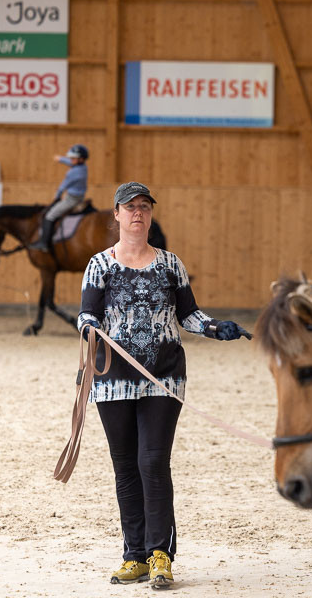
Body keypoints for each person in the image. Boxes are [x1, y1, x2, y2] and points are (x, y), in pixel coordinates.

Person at [77, 181, 252, 587]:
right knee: (125, 468)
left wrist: (213, 327)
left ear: (150, 215)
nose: (138, 213)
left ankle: (160, 555)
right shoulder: (99, 264)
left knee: (152, 463)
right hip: (113, 380)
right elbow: (87, 314)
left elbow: (188, 314)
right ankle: (133, 556)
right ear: (116, 215)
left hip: (164, 378)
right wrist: (88, 331)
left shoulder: (171, 263)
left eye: (144, 207)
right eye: (130, 207)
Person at [28, 144, 90, 252]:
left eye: (73, 158)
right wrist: (60, 159)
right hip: (78, 197)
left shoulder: (73, 173)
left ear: (81, 159)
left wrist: (56, 197)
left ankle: (44, 243)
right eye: (71, 158)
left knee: (50, 215)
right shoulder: (83, 167)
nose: (71, 160)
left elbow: (63, 186)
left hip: (72, 199)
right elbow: (70, 163)